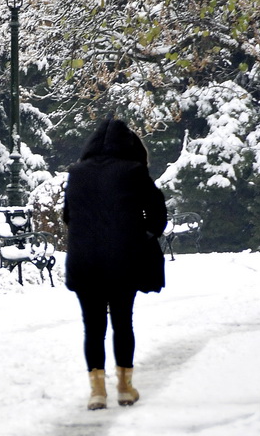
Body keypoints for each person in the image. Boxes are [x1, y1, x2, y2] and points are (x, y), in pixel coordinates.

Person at [63, 116, 168, 410]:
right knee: (123, 322)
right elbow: (158, 215)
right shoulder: (134, 171)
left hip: (84, 261)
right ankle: (124, 387)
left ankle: (97, 392)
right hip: (123, 260)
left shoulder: (76, 173)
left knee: (92, 327)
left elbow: (67, 216)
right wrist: (140, 234)